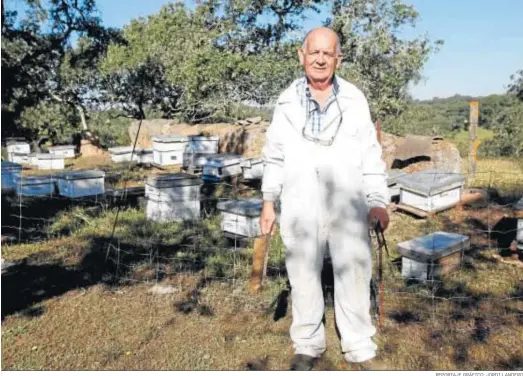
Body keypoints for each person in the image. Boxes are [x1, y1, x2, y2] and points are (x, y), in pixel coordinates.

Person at [259, 27, 390, 371]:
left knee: (355, 270)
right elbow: (274, 156)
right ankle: (307, 342)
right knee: (302, 273)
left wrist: (378, 200)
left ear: (338, 59)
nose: (319, 59)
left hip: (347, 200)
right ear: (301, 55)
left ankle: (359, 345)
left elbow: (371, 154)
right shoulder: (285, 102)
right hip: (299, 202)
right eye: (313, 52)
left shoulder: (354, 99)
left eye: (327, 53)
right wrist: (269, 201)